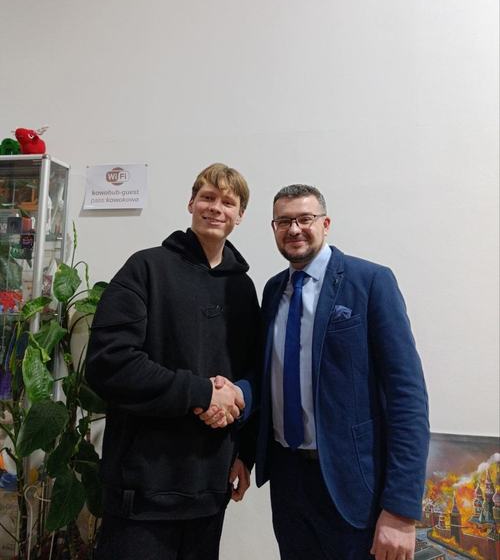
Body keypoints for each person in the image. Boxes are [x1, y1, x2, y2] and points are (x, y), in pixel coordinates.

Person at [85, 163, 260, 560]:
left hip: (210, 488)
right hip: (142, 491)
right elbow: (110, 363)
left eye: (227, 202)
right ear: (191, 203)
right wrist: (201, 393)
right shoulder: (145, 268)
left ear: (240, 216)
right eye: (207, 197)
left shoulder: (243, 288)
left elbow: (252, 373)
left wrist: (244, 454)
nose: (216, 208)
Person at [254, 184, 430, 560]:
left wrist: (401, 509)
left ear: (326, 223)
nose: (294, 229)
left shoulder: (370, 281)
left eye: (305, 218)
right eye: (283, 221)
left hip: (354, 486)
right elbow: (265, 379)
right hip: (288, 484)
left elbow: (407, 396)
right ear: (273, 228)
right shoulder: (272, 291)